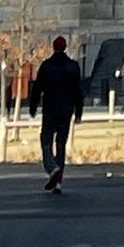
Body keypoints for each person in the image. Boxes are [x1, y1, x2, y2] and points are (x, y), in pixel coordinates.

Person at [31, 35, 84, 192]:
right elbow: (78, 91)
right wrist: (79, 112)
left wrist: (33, 107)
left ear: (53, 47)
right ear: (65, 47)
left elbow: (37, 88)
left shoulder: (47, 66)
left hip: (50, 109)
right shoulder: (73, 66)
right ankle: (58, 182)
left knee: (46, 141)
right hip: (67, 109)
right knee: (61, 144)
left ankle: (51, 167)